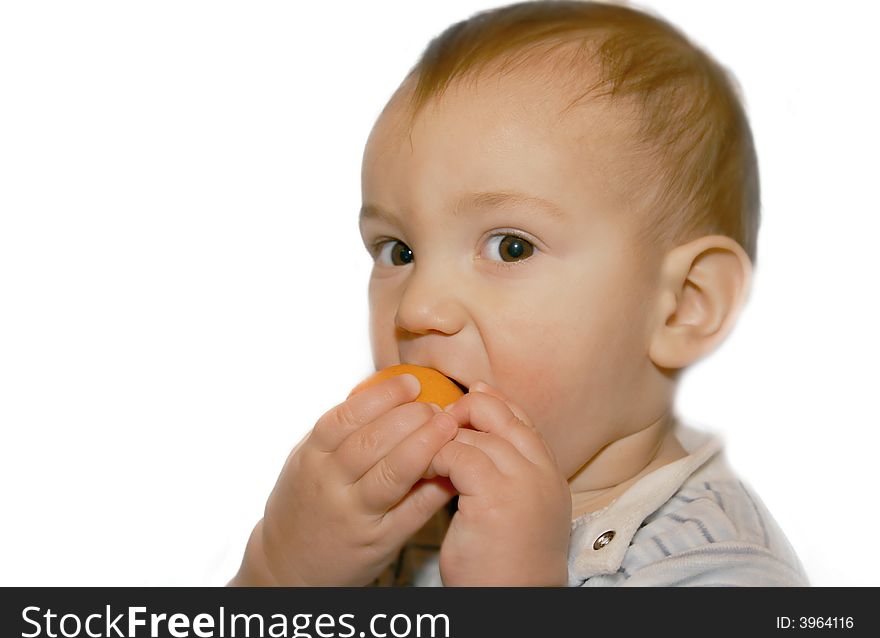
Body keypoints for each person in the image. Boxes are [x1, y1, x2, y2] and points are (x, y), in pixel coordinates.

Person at [228, 0, 809, 587]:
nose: (417, 309)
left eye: (510, 247)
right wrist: (280, 571)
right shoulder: (393, 518)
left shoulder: (721, 567)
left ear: (685, 304)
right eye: (397, 251)